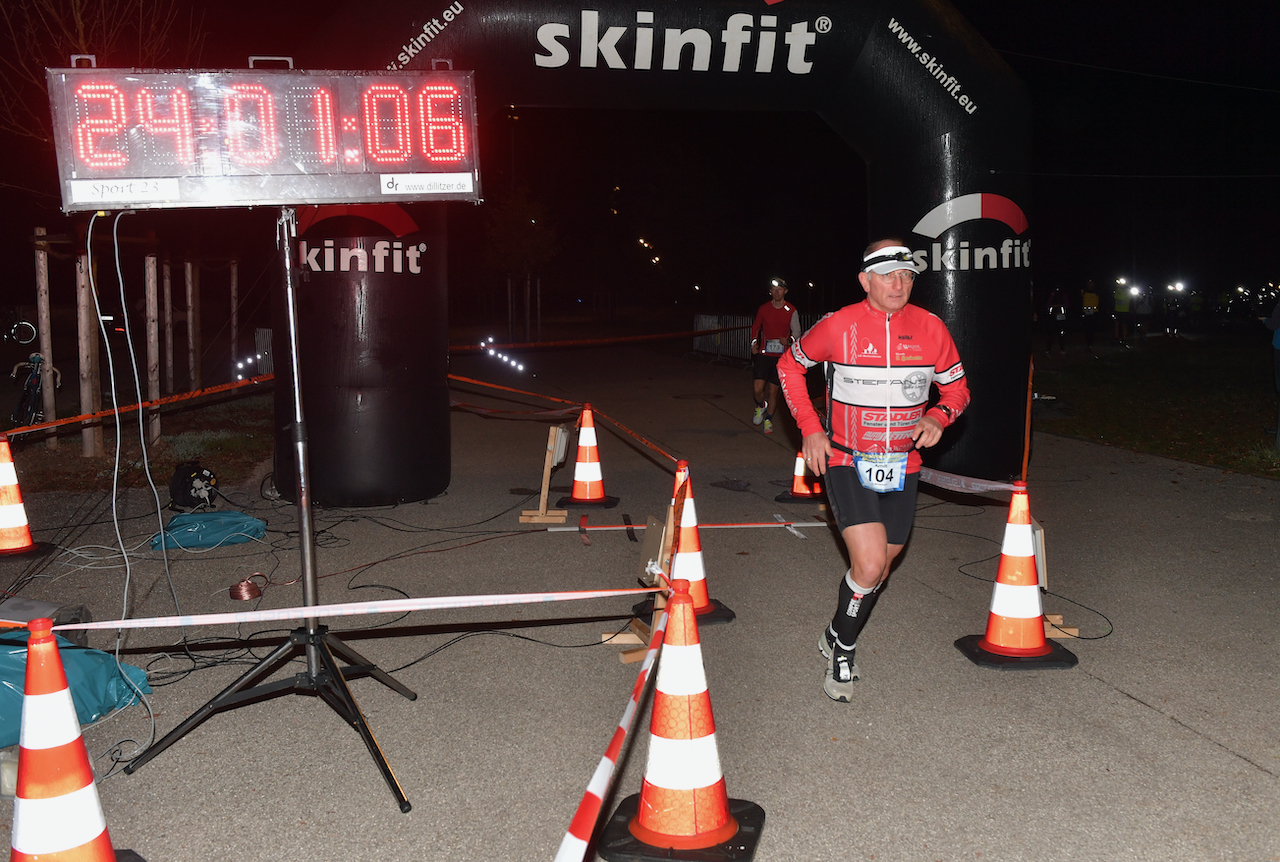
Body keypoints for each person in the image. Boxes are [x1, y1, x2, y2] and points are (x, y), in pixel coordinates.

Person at [777, 239, 970, 702]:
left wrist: (938, 417)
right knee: (867, 563)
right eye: (887, 275)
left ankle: (834, 629)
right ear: (865, 280)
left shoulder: (931, 328)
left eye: (906, 276)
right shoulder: (837, 325)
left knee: (879, 569)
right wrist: (810, 428)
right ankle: (843, 650)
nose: (898, 284)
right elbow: (789, 366)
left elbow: (958, 390)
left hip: (904, 464)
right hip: (846, 459)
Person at [749, 277, 800, 434]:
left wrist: (789, 340)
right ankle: (760, 406)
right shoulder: (764, 309)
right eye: (774, 289)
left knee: (773, 391)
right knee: (757, 389)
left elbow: (797, 331)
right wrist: (753, 344)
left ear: (785, 291)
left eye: (780, 289)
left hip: (781, 357)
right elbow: (756, 327)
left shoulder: (791, 310)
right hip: (764, 354)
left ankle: (769, 419)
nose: (776, 292)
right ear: (770, 291)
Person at [1045, 286, 1070, 355]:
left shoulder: (1064, 295)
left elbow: (1067, 304)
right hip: (1052, 317)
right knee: (1050, 333)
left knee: (1061, 333)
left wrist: (1060, 305)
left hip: (1060, 317)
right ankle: (1048, 350)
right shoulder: (1051, 295)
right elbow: (1047, 305)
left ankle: (1062, 349)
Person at [1081, 279, 1100, 354]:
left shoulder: (1097, 292)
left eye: (1091, 283)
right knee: (1086, 329)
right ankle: (1088, 344)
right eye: (1089, 283)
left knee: (1092, 329)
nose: (1090, 285)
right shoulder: (1083, 291)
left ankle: (1091, 345)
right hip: (1086, 313)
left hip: (1094, 313)